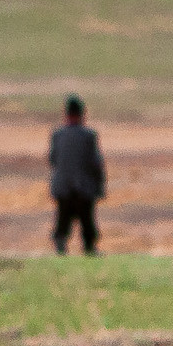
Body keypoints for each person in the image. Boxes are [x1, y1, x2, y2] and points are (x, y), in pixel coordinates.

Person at [48, 95, 106, 255]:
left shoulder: (57, 135)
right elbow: (96, 164)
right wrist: (99, 187)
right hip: (83, 188)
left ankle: (60, 246)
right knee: (87, 222)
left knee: (62, 221)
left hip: (63, 187)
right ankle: (89, 248)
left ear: (66, 114)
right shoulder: (89, 136)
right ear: (82, 115)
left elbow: (53, 160)